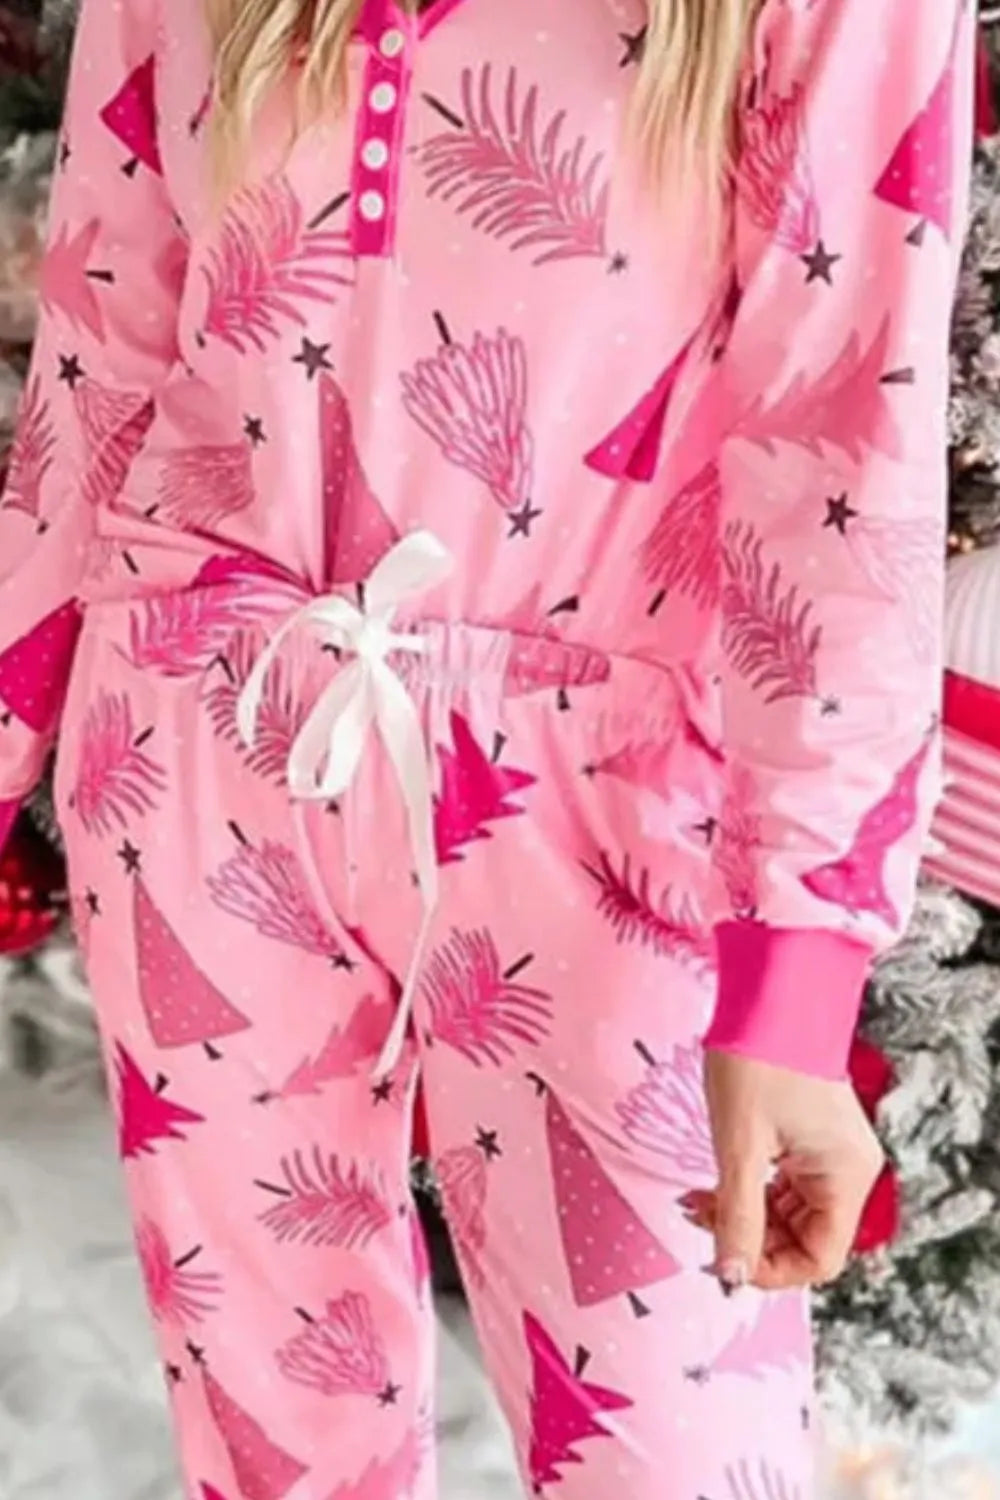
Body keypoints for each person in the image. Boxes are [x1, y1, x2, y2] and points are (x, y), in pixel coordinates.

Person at [0, 0, 973, 1494]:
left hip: (606, 806)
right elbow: (102, 342)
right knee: (279, 1461)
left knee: (680, 1457)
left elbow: (848, 438)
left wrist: (798, 972)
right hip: (201, 744)